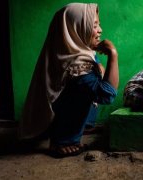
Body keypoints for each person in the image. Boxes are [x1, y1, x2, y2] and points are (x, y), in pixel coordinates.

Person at [19, 3, 119, 157]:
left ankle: (83, 125)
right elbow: (107, 95)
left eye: (99, 25)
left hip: (54, 109)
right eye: (94, 26)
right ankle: (62, 140)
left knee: (93, 78)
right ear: (76, 28)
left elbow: (95, 63)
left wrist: (99, 66)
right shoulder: (77, 68)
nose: (100, 30)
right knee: (90, 87)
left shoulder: (69, 49)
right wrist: (113, 54)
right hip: (54, 116)